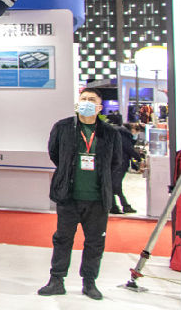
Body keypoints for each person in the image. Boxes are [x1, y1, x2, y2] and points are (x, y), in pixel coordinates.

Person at [38, 88, 121, 300]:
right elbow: (55, 154)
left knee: (95, 242)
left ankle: (89, 282)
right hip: (68, 196)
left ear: (100, 107)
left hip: (97, 199)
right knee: (62, 239)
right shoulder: (63, 127)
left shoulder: (111, 133)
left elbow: (116, 162)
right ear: (77, 103)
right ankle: (56, 280)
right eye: (83, 99)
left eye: (91, 99)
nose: (87, 102)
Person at [111, 123, 143, 214]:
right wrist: (139, 159)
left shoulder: (118, 132)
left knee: (114, 185)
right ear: (133, 130)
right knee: (116, 185)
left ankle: (117, 206)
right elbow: (129, 149)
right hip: (120, 163)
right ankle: (121, 206)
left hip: (114, 162)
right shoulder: (124, 135)